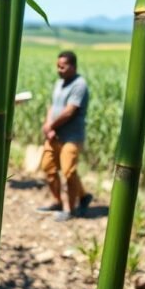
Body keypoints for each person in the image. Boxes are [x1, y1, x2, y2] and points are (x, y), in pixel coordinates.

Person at [37, 50, 93, 222]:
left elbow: (69, 111)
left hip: (71, 137)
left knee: (69, 172)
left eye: (63, 66)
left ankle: (71, 209)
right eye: (58, 66)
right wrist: (48, 125)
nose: (59, 69)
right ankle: (59, 201)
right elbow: (53, 107)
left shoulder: (79, 85)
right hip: (54, 136)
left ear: (73, 66)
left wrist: (52, 126)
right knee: (48, 168)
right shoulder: (60, 83)